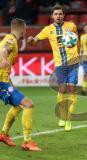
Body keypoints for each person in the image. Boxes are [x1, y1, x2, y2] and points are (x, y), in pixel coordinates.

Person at [27, 4, 79, 131]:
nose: (58, 16)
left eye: (60, 14)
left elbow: (77, 38)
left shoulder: (71, 26)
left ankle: (69, 119)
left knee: (72, 89)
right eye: (56, 14)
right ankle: (62, 116)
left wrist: (79, 52)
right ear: (52, 16)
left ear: (63, 15)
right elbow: (35, 41)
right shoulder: (47, 29)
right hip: (60, 64)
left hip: (73, 62)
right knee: (62, 90)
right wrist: (31, 41)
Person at [0, 18, 41, 151]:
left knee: (18, 106)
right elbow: (3, 51)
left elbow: (5, 69)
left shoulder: (10, 39)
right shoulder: (11, 40)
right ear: (22, 30)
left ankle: (4, 134)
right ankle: (27, 141)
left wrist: (12, 85)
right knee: (28, 104)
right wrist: (4, 60)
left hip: (4, 81)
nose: (25, 32)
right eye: (25, 30)